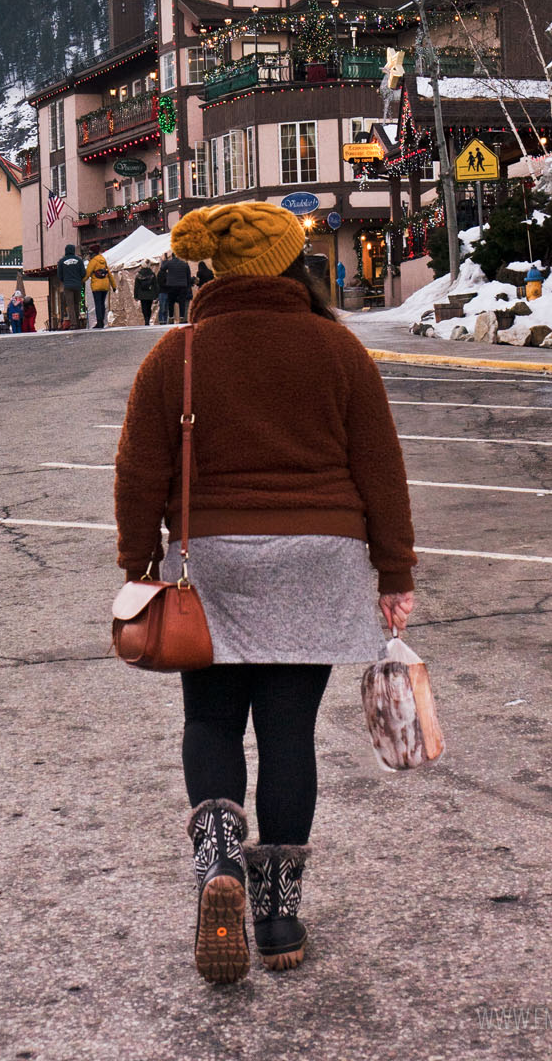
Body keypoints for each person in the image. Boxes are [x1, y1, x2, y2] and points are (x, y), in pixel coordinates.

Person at [114, 202, 415, 986]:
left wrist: (137, 559)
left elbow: (138, 472)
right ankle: (279, 916)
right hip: (320, 557)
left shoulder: (176, 356)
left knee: (211, 719)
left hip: (212, 559)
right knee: (289, 735)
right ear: (290, 266)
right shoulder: (338, 348)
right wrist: (396, 573)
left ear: (213, 269)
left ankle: (219, 861)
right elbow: (380, 467)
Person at [84, 245, 116, 329]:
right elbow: (109, 273)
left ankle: (99, 322)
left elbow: (87, 274)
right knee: (102, 304)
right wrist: (114, 286)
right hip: (105, 286)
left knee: (98, 304)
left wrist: (81, 281)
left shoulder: (93, 261)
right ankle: (102, 321)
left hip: (97, 286)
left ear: (93, 253)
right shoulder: (103, 260)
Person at [57, 243, 86, 329]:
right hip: (77, 285)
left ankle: (73, 324)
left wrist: (65, 280)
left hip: (68, 285)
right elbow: (83, 273)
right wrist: (78, 279)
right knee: (77, 304)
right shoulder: (79, 260)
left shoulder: (62, 261)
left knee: (70, 305)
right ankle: (77, 322)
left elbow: (59, 275)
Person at [162, 250, 194, 323]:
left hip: (171, 285)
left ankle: (171, 317)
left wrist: (165, 261)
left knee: (171, 302)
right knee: (182, 302)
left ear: (172, 256)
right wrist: (188, 286)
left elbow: (162, 269)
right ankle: (182, 317)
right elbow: (188, 277)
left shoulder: (169, 263)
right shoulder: (185, 264)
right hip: (182, 286)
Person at [133, 260, 158, 325]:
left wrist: (135, 296)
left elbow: (136, 286)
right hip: (150, 293)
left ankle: (146, 319)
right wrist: (156, 295)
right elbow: (155, 285)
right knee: (149, 307)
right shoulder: (152, 274)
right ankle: (148, 319)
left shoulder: (138, 275)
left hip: (142, 294)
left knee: (144, 307)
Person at [156, 254, 171, 326]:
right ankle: (162, 320)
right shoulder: (161, 273)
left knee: (165, 307)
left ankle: (164, 320)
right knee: (163, 307)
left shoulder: (165, 273)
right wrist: (168, 284)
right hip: (163, 292)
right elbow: (161, 283)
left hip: (165, 292)